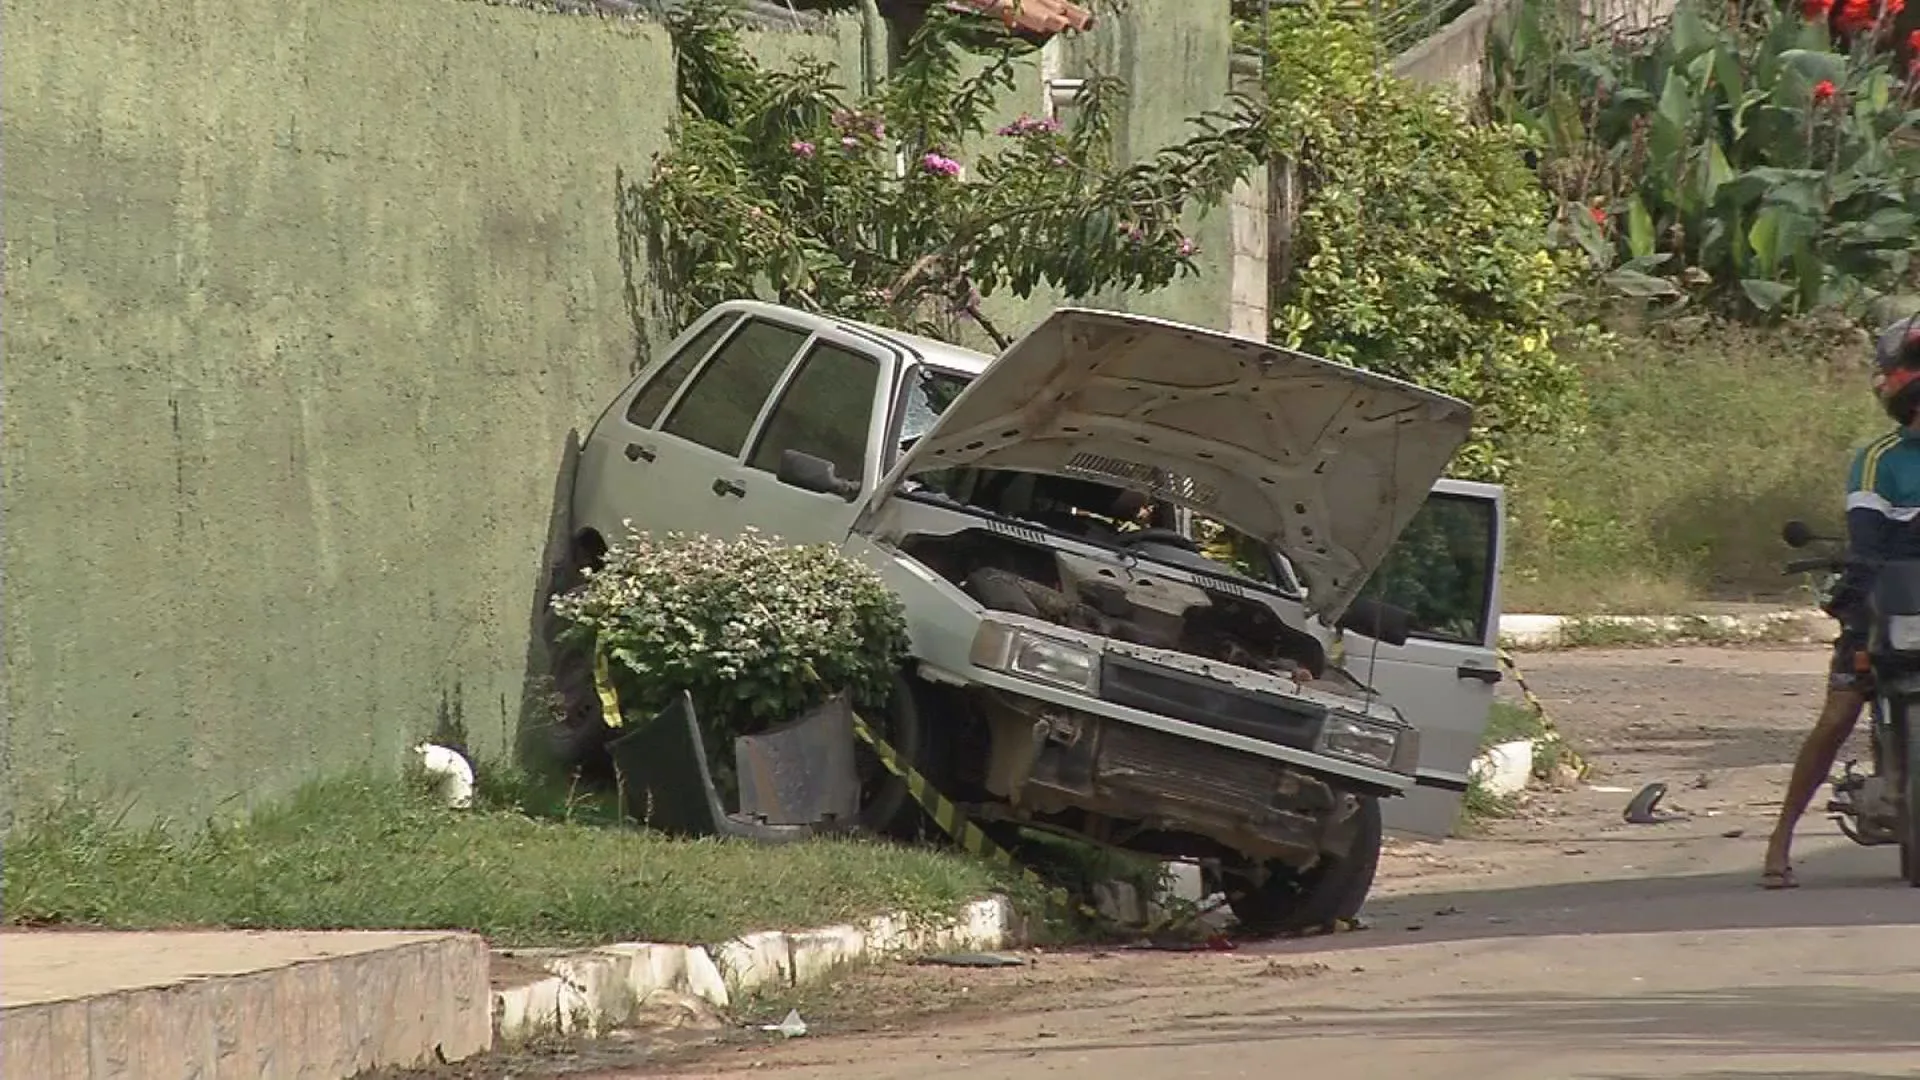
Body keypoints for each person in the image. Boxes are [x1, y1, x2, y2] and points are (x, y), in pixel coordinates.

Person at [1762, 312, 1920, 889]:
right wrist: (1849, 594)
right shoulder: (1880, 459)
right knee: (1837, 715)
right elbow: (1867, 542)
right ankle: (1780, 839)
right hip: (1888, 604)